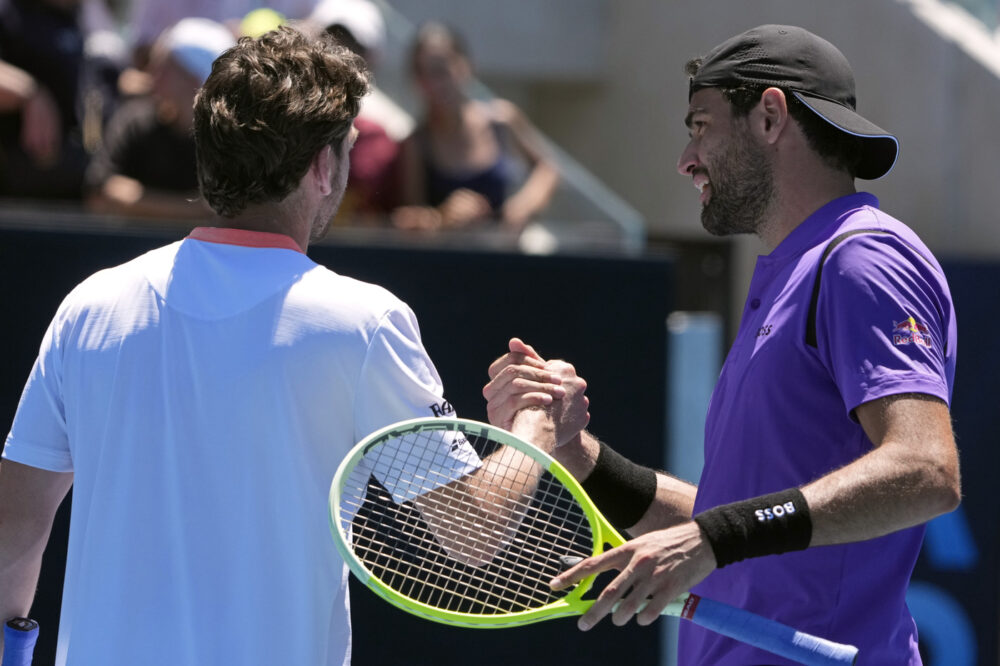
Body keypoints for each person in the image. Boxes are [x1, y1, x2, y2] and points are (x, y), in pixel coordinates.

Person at [0, 26, 576, 665]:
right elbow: (473, 529)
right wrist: (536, 421)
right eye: (348, 149)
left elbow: (14, 528)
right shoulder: (365, 323)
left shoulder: (88, 307)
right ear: (323, 168)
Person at [484, 25, 961, 664]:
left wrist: (713, 536)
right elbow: (733, 526)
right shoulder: (802, 270)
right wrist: (578, 453)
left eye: (701, 126)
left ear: (769, 117)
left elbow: (927, 470)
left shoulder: (861, 259)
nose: (686, 157)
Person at [392, 22, 559, 232]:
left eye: (440, 71)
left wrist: (523, 205)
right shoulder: (416, 143)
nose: (433, 84)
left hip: (504, 255)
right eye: (422, 73)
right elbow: (410, 215)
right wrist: (441, 216)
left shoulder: (502, 119)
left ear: (465, 66)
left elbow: (547, 167)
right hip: (449, 259)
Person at [85, 17, 234, 221]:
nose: (152, 74)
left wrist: (136, 199)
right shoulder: (134, 120)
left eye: (165, 67)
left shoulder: (229, 140)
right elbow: (100, 194)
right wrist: (192, 210)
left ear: (193, 79)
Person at [0, 0, 121, 200]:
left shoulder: (75, 17)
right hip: (15, 191)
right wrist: (30, 93)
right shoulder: (10, 14)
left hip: (71, 187)